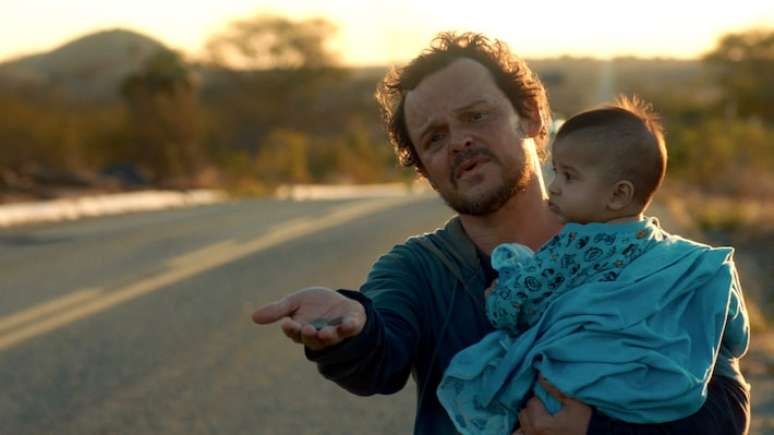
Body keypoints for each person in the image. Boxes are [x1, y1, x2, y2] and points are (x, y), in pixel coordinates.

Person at [252, 32, 750, 434]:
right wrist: (350, 331)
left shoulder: (644, 256)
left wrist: (597, 430)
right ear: (424, 168)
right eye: (435, 137)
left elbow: (725, 410)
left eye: (476, 116)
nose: (460, 141)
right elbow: (379, 357)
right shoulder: (421, 270)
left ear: (531, 117)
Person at [436, 97, 750, 434]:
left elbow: (515, 307)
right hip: (658, 392)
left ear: (617, 195)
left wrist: (499, 295)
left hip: (581, 387)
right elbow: (733, 331)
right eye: (556, 171)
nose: (553, 186)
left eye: (569, 177)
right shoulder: (681, 258)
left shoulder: (571, 248)